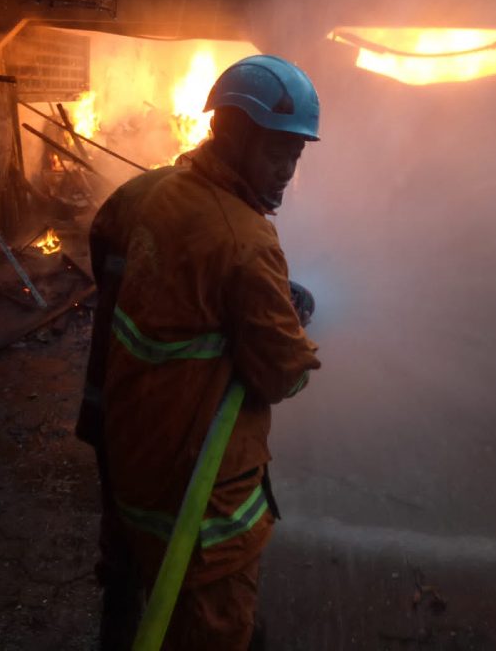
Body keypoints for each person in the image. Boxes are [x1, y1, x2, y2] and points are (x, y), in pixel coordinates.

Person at [78, 53, 322, 650]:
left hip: (132, 457)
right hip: (202, 510)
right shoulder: (247, 241)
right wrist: (288, 321)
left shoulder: (146, 192)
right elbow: (283, 375)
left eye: (296, 154)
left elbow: (111, 259)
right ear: (233, 136)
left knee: (132, 593)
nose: (287, 170)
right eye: (276, 152)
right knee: (213, 631)